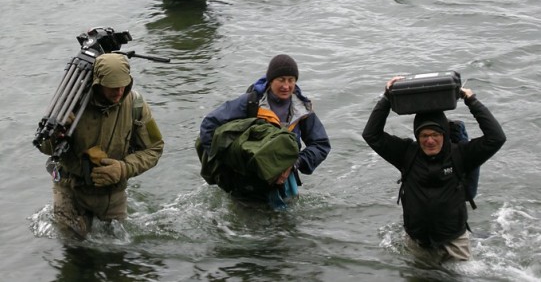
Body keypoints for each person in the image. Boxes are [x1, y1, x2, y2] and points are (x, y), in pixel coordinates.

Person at [362, 76, 506, 263]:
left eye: (436, 134)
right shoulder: (406, 154)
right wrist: (387, 98)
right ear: (417, 136)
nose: (430, 141)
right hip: (417, 242)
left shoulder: (462, 154)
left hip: (454, 242)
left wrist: (472, 101)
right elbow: (371, 135)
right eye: (424, 135)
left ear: (444, 135)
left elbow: (496, 138)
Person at [38, 53, 164, 237]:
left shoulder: (135, 105)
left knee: (116, 253)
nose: (119, 92)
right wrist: (57, 133)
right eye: (112, 87)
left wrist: (123, 168)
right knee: (72, 248)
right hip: (70, 189)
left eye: (123, 85)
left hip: (112, 192)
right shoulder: (71, 104)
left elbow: (155, 148)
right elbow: (44, 147)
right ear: (98, 84)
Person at [198, 54, 331, 205]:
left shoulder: (303, 110)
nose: (286, 86)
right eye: (281, 80)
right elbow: (209, 124)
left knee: (286, 227)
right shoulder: (250, 102)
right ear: (270, 80)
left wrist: (295, 163)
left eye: (291, 80)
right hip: (246, 184)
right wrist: (224, 162)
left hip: (284, 183)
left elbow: (321, 144)